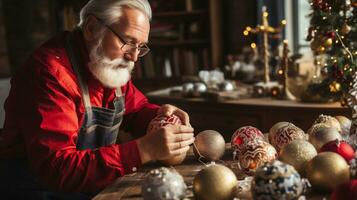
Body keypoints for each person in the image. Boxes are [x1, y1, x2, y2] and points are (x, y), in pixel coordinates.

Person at [0, 0, 194, 198]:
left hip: (88, 186)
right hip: (38, 191)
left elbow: (136, 109)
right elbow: (57, 168)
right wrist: (144, 149)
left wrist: (159, 117)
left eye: (141, 46)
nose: (134, 57)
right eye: (127, 41)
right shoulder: (50, 74)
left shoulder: (105, 62)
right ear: (92, 28)